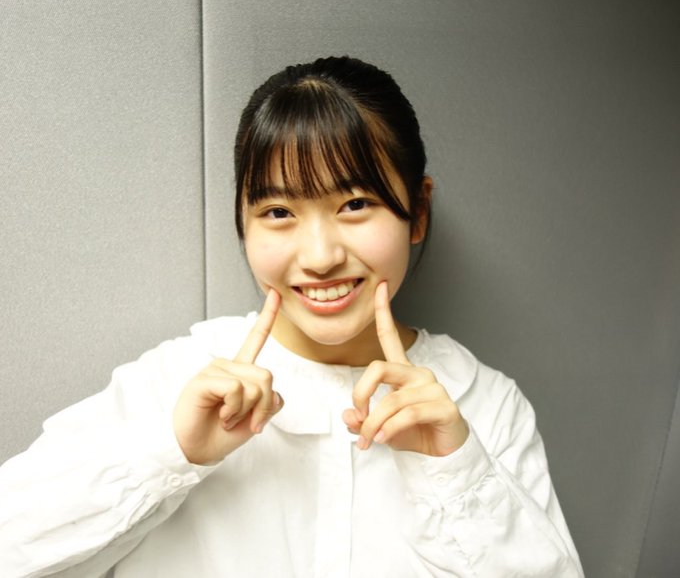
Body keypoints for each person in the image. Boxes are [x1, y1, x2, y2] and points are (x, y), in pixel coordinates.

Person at [0, 56, 584, 577]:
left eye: (355, 203)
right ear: (243, 222)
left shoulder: (481, 402)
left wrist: (456, 473)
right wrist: (170, 453)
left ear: (418, 210)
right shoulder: (177, 381)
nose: (321, 256)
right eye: (279, 211)